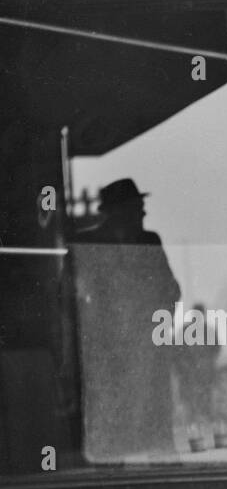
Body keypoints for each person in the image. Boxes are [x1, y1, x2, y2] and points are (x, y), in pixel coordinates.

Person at [74, 178, 180, 456]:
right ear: (118, 212)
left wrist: (153, 331)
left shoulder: (149, 242)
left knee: (155, 432)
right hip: (105, 357)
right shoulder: (87, 245)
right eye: (138, 207)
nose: (143, 213)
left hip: (146, 354)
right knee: (112, 438)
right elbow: (73, 301)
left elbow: (171, 290)